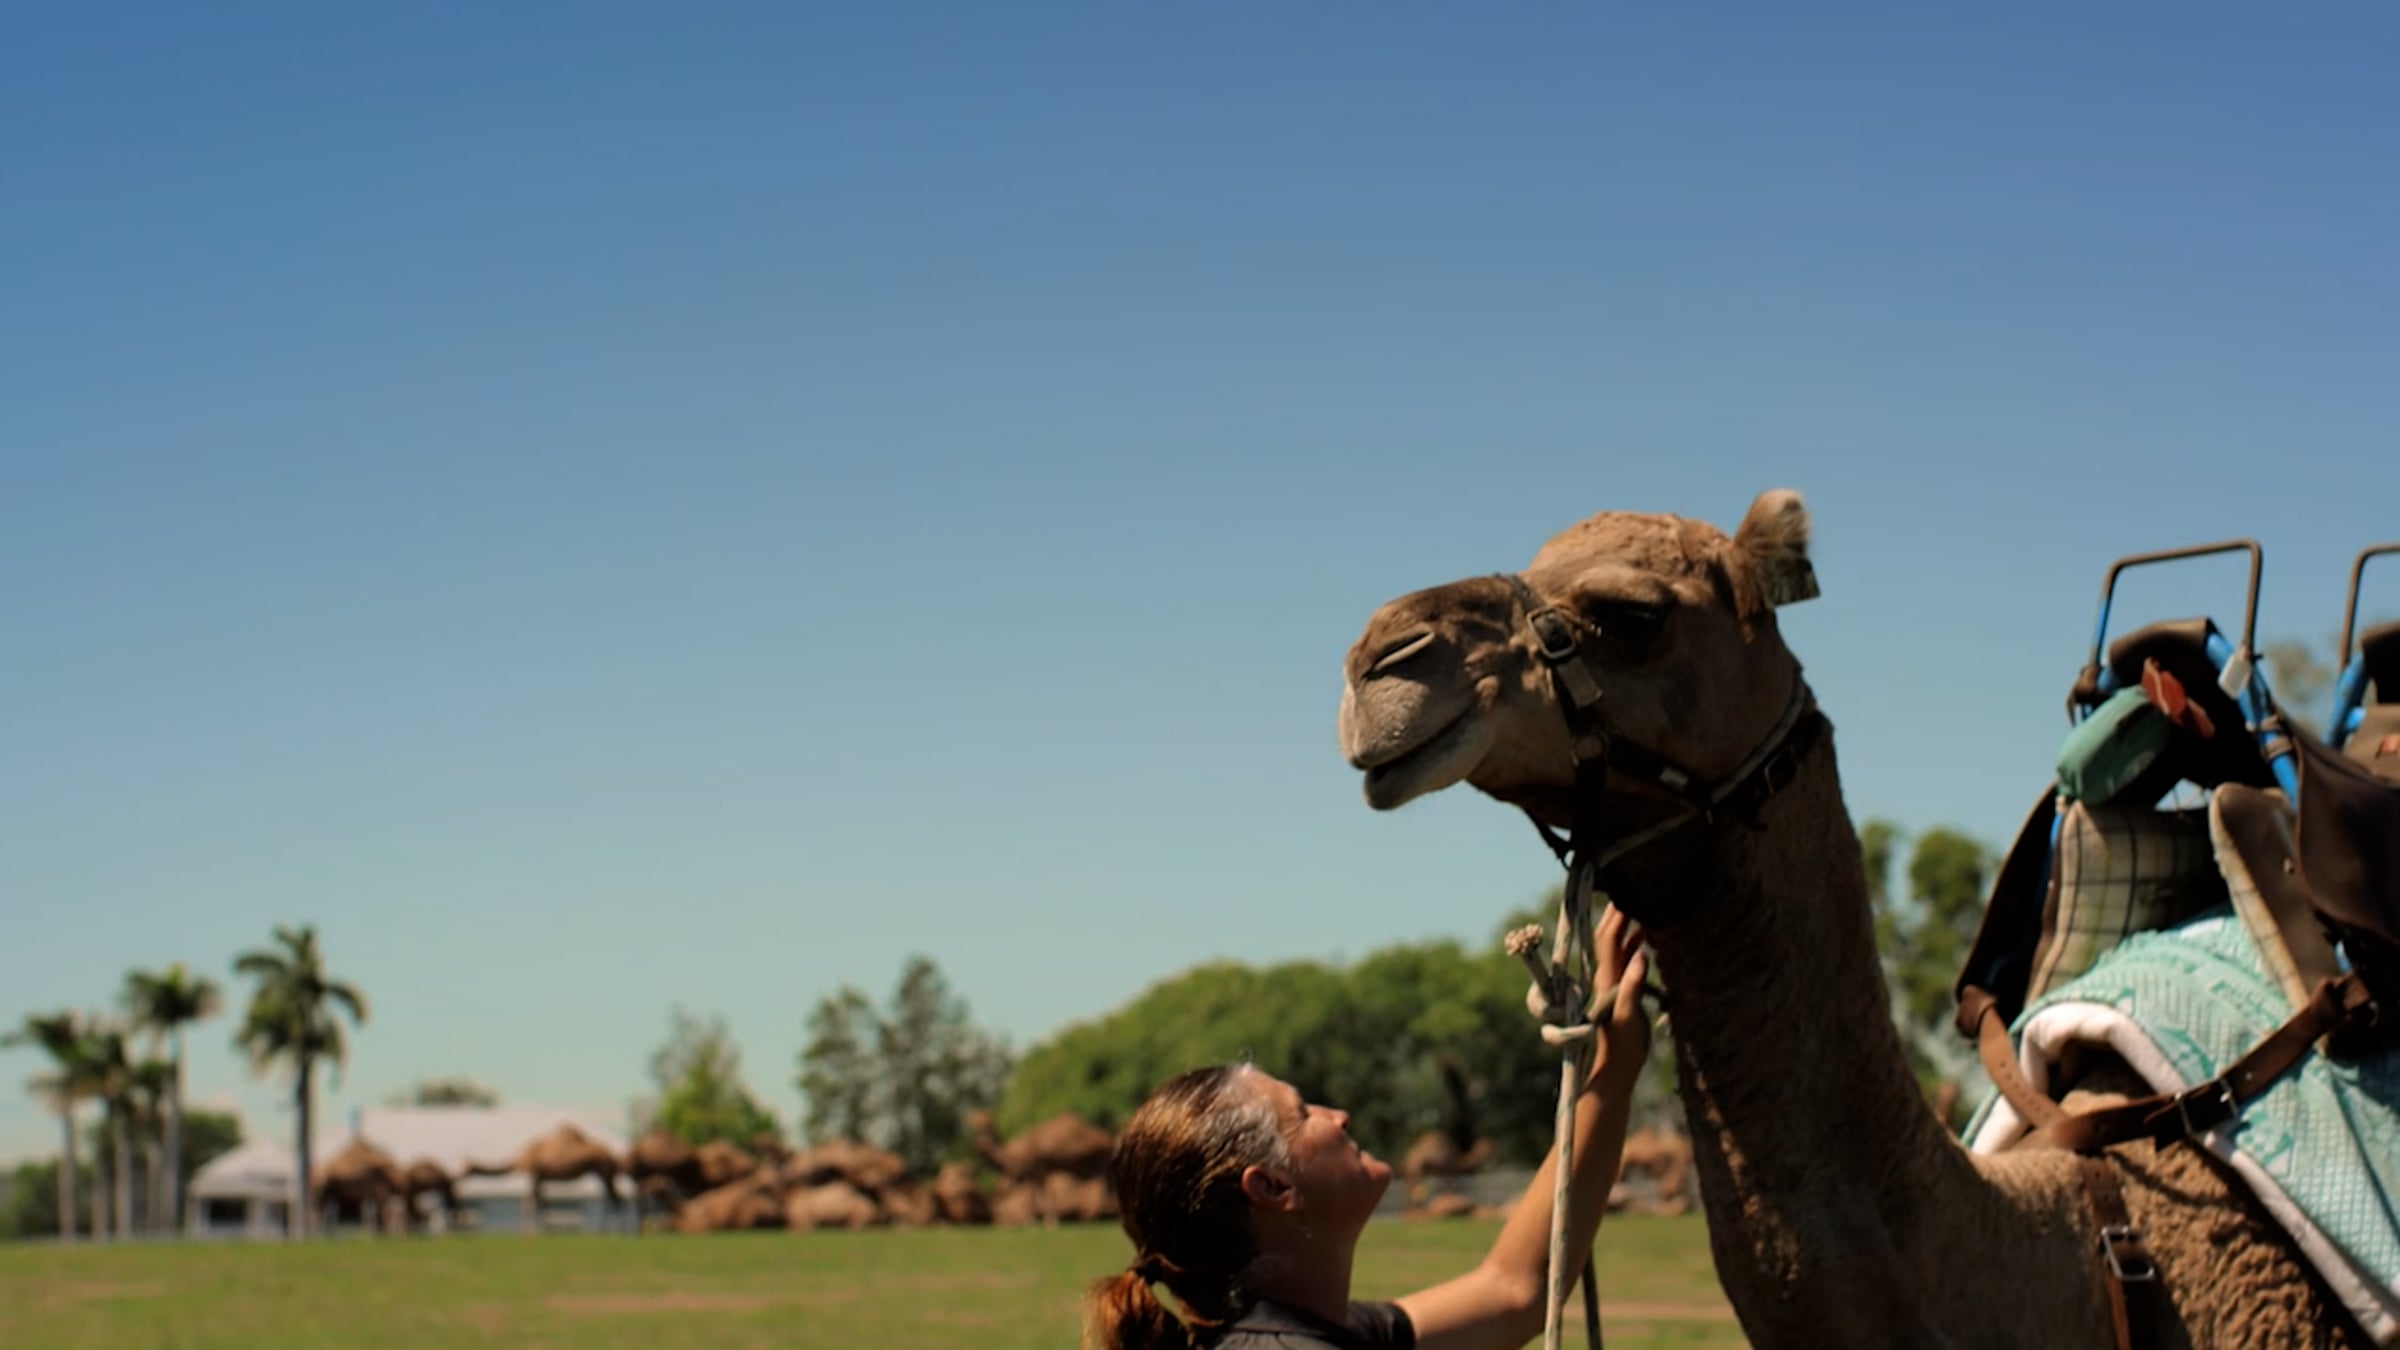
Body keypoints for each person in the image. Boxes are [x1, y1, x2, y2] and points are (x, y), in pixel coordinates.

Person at [1084, 907, 1652, 1350]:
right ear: (1273, 1187)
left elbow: (1514, 1291)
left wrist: (1614, 1069)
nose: (1339, 1116)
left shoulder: (1320, 1331)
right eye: (1304, 1113)